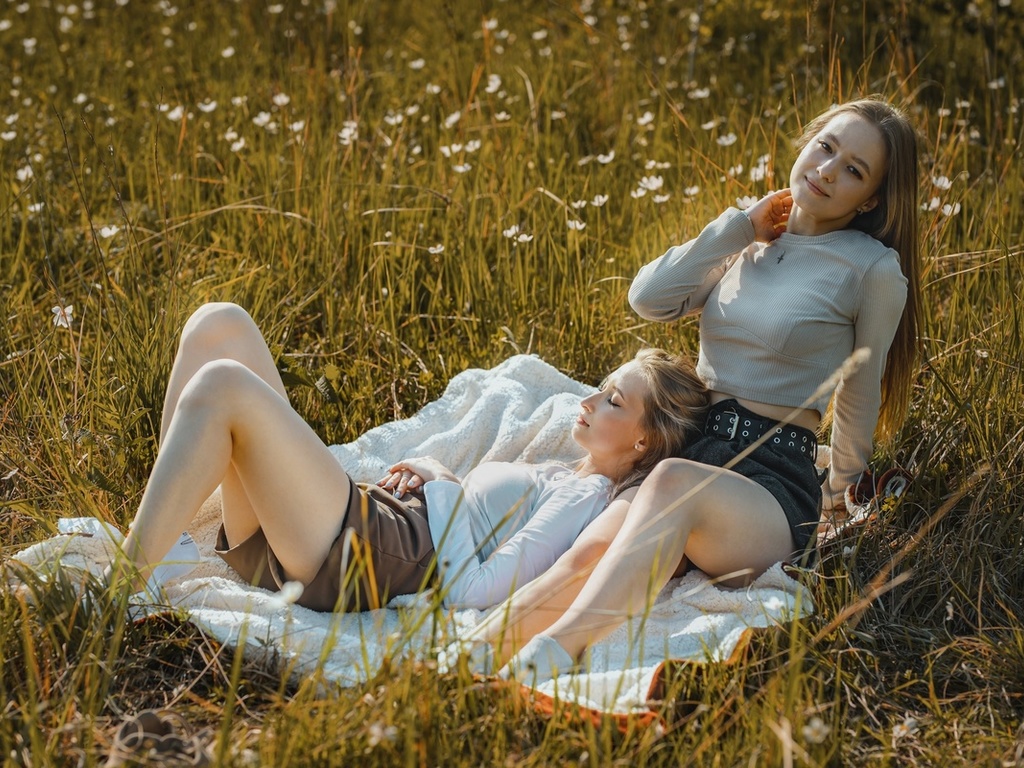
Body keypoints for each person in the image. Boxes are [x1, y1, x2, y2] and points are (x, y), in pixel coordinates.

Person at [468, 97, 921, 681]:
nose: (828, 170)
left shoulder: (871, 269)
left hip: (772, 481)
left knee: (672, 483)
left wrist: (840, 487)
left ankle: (557, 650)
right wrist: (736, 227)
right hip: (691, 449)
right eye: (825, 146)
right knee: (590, 550)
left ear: (873, 198)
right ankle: (474, 652)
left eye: (854, 170)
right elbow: (647, 299)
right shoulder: (749, 240)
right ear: (807, 144)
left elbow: (861, 390)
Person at [106, 302, 710, 613]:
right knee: (221, 325)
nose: (586, 401)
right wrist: (436, 481)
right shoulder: (559, 472)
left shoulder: (585, 498)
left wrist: (443, 481)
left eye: (610, 400)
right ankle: (166, 547)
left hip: (373, 553)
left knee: (222, 385)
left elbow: (474, 589)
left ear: (643, 442)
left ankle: (116, 592)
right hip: (344, 529)